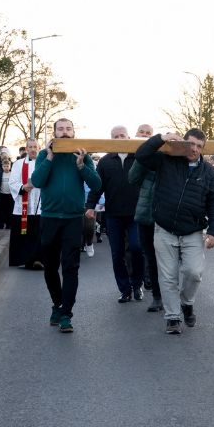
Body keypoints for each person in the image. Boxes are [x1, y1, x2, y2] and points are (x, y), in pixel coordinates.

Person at [134, 128, 214, 335]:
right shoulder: (166, 161)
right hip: (164, 228)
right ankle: (172, 317)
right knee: (168, 276)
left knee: (194, 272)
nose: (194, 149)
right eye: (191, 144)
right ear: (183, 143)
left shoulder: (209, 173)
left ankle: (186, 303)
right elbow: (141, 155)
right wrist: (161, 138)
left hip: (192, 230)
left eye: (199, 146)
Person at [31, 119, 101, 333]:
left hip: (73, 218)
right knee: (51, 267)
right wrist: (49, 158)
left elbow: (96, 184)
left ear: (73, 132)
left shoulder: (83, 156)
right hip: (50, 217)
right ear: (54, 133)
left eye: (68, 129)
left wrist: (81, 165)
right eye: (60, 129)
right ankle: (57, 304)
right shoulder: (44, 155)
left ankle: (66, 314)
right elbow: (37, 181)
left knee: (71, 267)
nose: (64, 132)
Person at [94, 126, 145, 302]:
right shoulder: (105, 161)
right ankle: (125, 290)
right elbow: (98, 186)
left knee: (136, 248)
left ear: (128, 138)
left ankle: (137, 284)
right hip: (113, 214)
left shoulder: (138, 159)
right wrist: (90, 206)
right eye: (115, 136)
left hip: (136, 214)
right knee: (117, 254)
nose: (119, 139)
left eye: (122, 135)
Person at [129, 123, 164, 312]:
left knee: (168, 258)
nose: (144, 135)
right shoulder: (141, 158)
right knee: (150, 256)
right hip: (146, 214)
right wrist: (140, 157)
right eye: (141, 132)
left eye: (148, 133)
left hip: (165, 215)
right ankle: (157, 297)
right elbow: (132, 178)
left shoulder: (164, 155)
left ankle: (169, 294)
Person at [8, 140, 43, 267]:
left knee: (40, 233)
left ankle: (39, 260)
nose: (33, 149)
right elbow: (12, 182)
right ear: (26, 149)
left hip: (41, 203)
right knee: (24, 233)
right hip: (24, 203)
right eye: (30, 147)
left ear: (39, 148)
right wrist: (23, 187)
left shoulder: (45, 163)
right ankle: (23, 260)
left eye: (35, 147)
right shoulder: (18, 164)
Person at [0, 150, 14, 229]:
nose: (6, 168)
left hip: (10, 195)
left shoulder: (12, 174)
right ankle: (0, 225)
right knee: (1, 210)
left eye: (7, 166)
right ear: (2, 167)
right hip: (2, 194)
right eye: (4, 166)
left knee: (10, 210)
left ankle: (9, 225)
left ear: (10, 166)